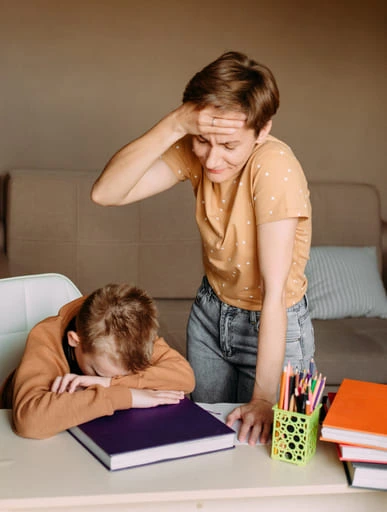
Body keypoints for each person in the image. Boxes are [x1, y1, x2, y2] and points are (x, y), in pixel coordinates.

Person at [91, 51, 314, 445]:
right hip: (211, 314)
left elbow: (275, 294)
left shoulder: (274, 166)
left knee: (263, 447)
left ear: (261, 131)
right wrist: (177, 122)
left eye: (229, 144)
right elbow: (106, 193)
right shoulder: (199, 147)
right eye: (202, 140)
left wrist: (264, 398)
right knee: (207, 440)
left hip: (270, 321)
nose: (212, 159)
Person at [0, 283, 195, 439]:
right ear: (74, 340)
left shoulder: (131, 332)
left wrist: (108, 382)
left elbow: (185, 378)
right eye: (98, 373)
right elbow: (30, 422)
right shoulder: (46, 337)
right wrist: (126, 395)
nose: (100, 379)